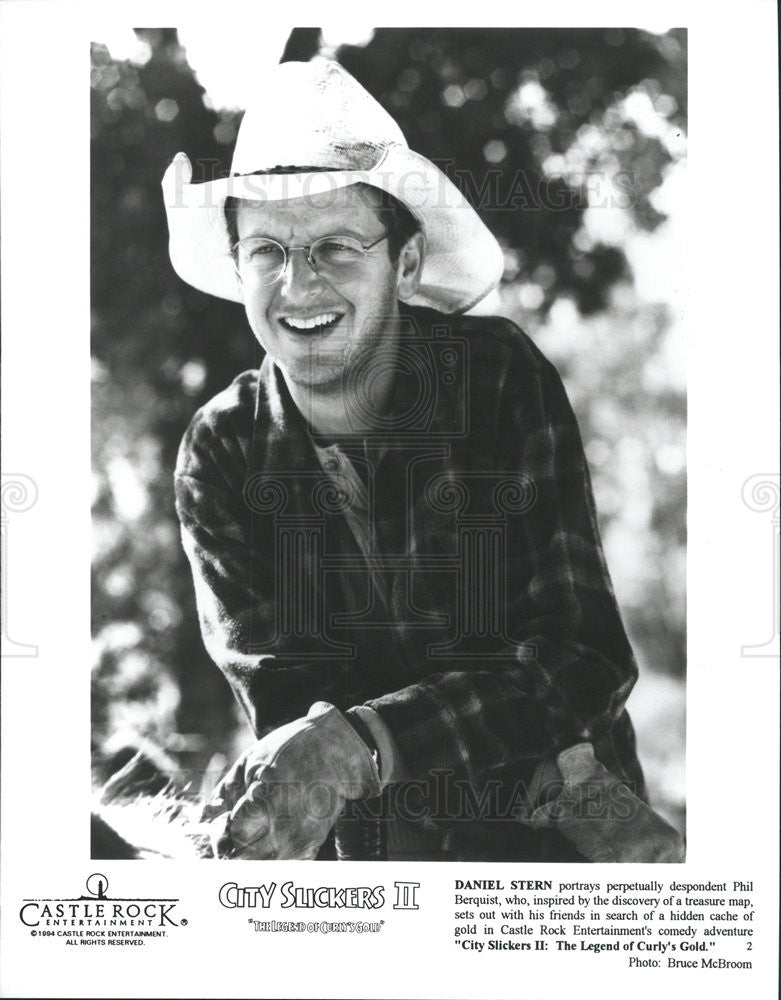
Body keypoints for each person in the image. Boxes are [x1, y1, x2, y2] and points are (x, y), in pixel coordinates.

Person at [163, 58, 681, 862]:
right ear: (237, 269)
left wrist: (359, 745)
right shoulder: (221, 452)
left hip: (566, 853)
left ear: (404, 266)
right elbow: (289, 707)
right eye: (267, 249)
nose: (298, 283)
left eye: (336, 245)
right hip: (382, 866)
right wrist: (342, 755)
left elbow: (579, 658)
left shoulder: (494, 376)